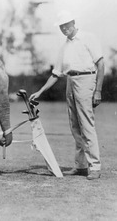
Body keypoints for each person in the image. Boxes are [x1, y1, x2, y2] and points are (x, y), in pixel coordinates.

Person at [29, 11, 104, 180]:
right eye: (61, 27)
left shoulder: (88, 38)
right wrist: (40, 92)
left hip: (87, 79)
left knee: (87, 124)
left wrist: (98, 90)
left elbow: (101, 63)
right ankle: (81, 166)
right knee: (75, 126)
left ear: (73, 23)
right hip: (71, 81)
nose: (64, 29)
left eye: (66, 25)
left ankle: (95, 166)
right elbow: (56, 74)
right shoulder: (64, 46)